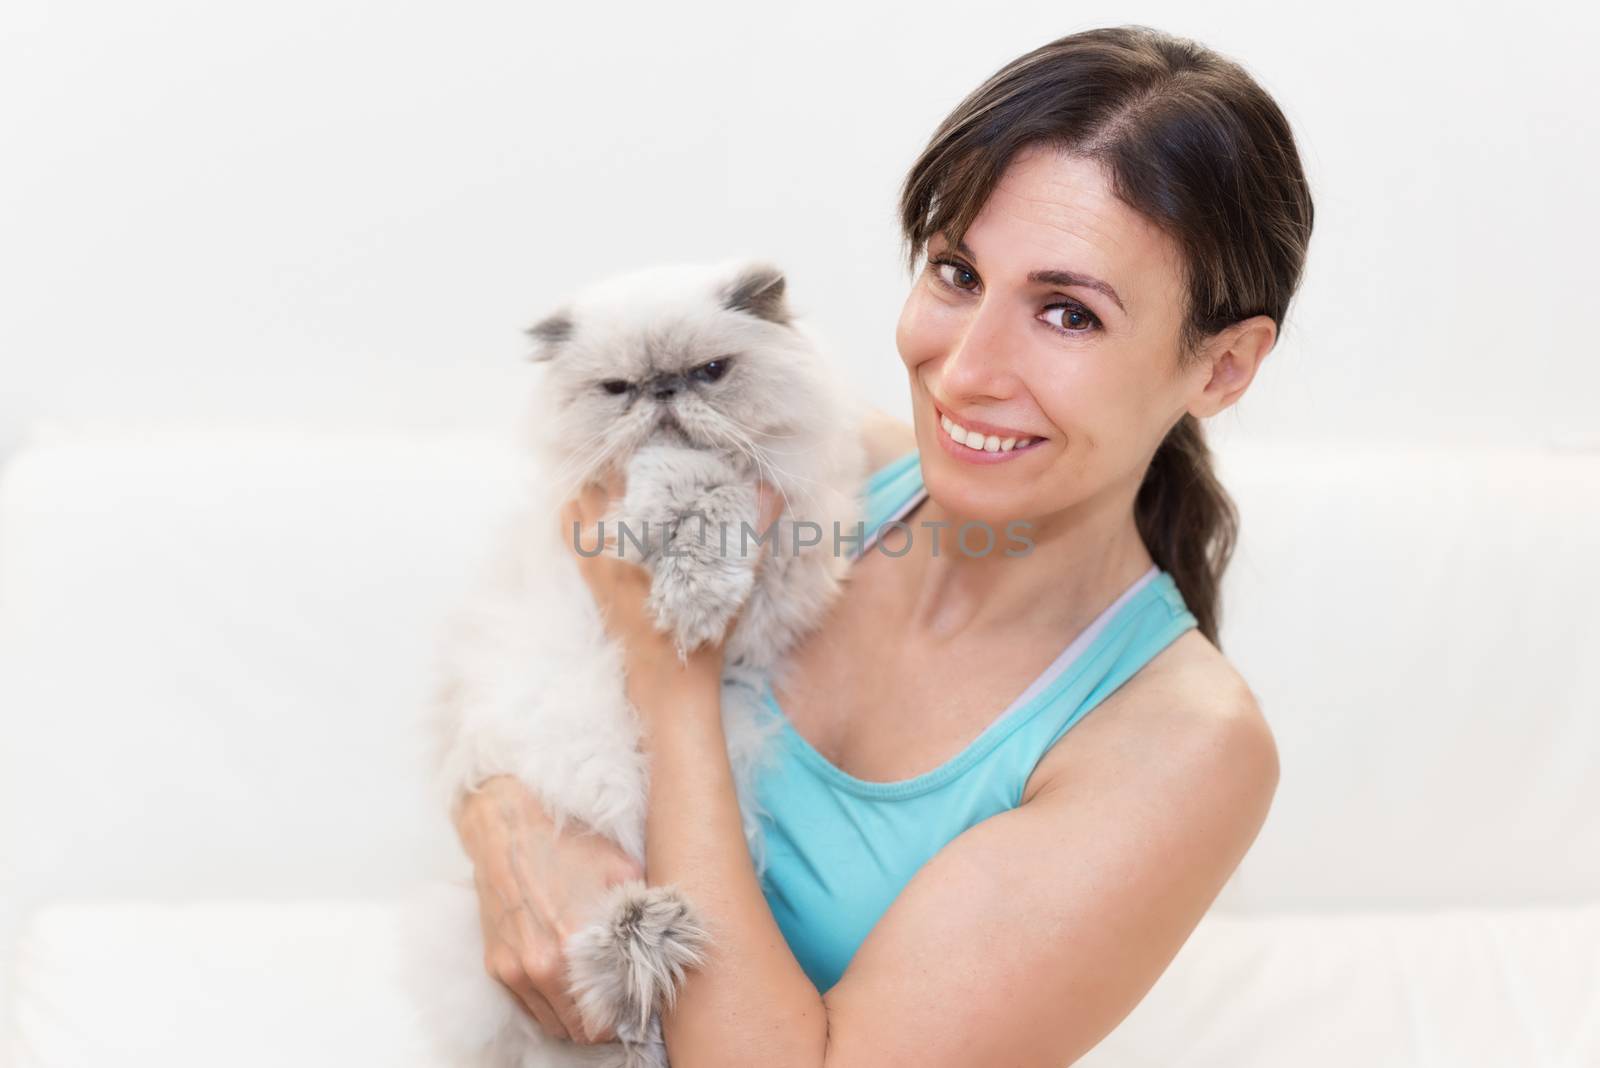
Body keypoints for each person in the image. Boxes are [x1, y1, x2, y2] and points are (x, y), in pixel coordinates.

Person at [452, 23, 1313, 1066]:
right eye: (956, 273)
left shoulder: (1185, 749)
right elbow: (532, 603)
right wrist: (502, 822)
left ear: (1221, 368)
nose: (962, 371)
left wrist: (670, 670)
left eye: (1067, 314)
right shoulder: (825, 465)